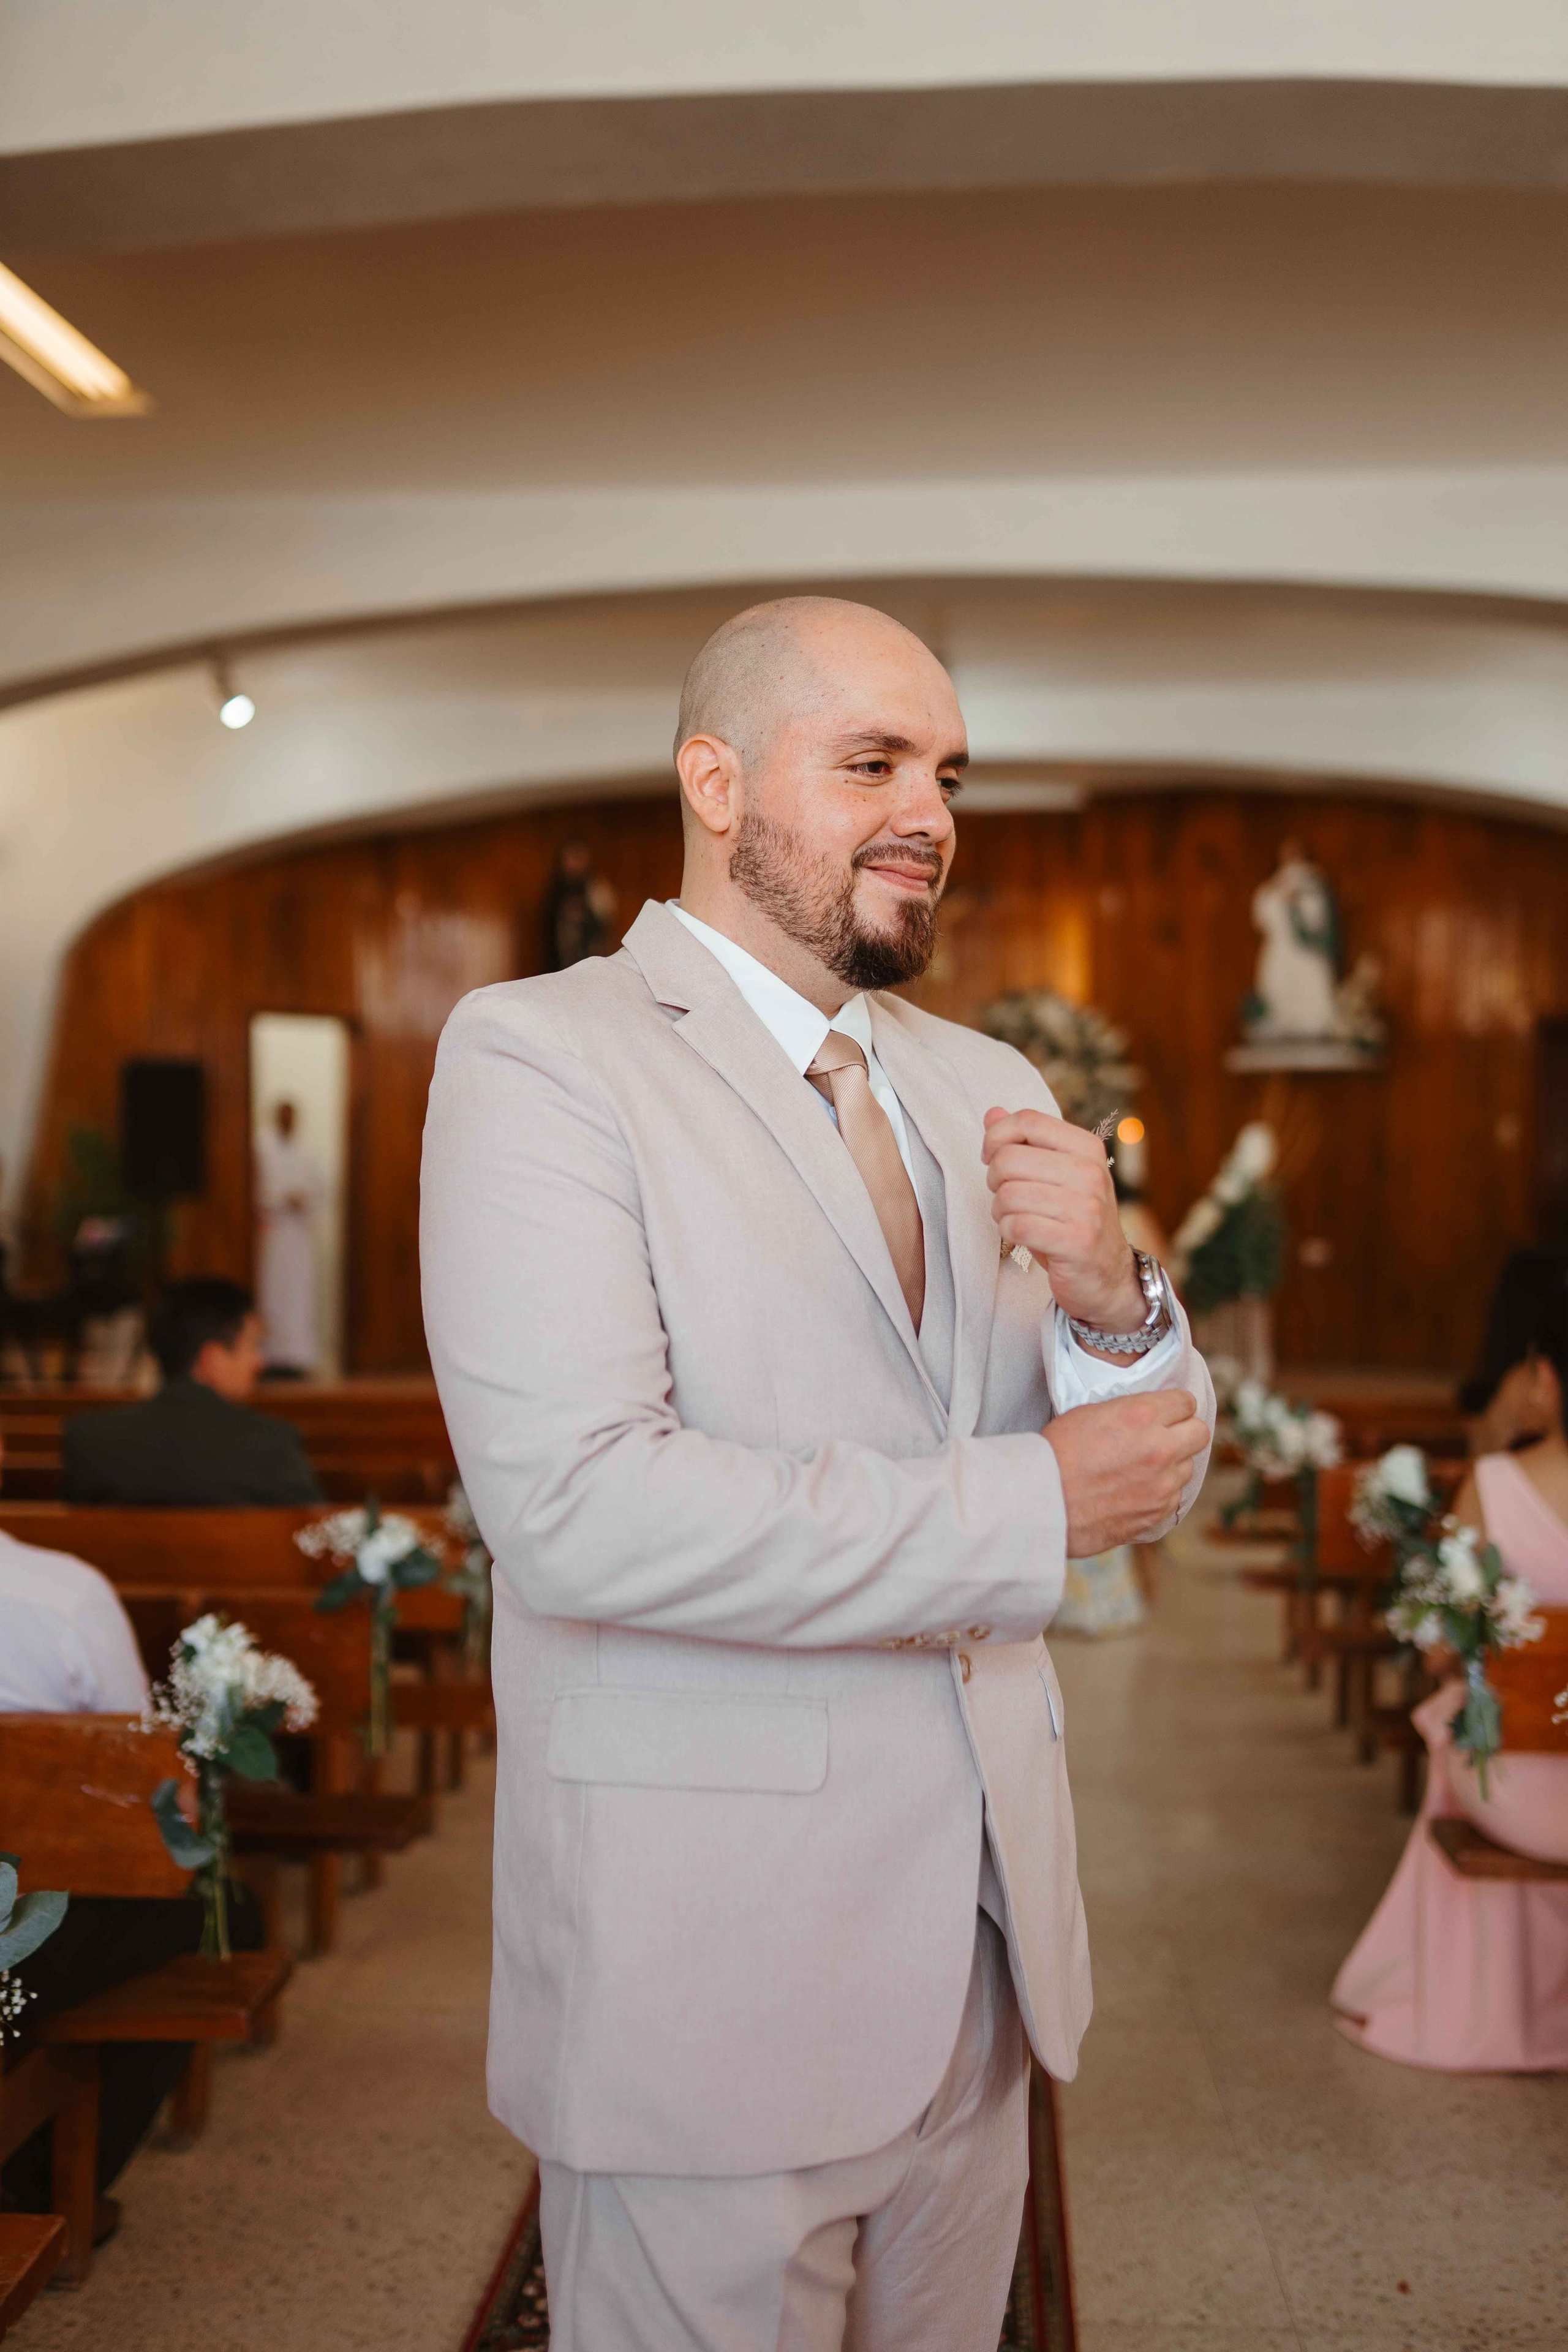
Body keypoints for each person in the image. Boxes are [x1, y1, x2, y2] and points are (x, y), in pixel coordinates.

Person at [421, 595, 1216, 2350]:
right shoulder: (545, 1058)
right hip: (711, 1955)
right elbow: (578, 1510)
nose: (928, 811)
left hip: (986, 1948)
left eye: (945, 770)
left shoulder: (984, 1075)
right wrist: (1032, 1508)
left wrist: (1114, 1293)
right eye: (870, 763)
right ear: (715, 781)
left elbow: (1152, 1454)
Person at [0, 1436, 262, 2233]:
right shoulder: (61, 1594)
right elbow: (149, 1800)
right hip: (24, 1925)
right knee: (220, 1912)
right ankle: (43, 2193)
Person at [1332, 1255, 1568, 2070]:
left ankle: (1486, 1998)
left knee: (1459, 1726)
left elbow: (1440, 1652)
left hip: (1518, 1802)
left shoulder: (1497, 1486)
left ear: (1545, 1378)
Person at [63, 1277, 321, 1506]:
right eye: (253, 1346)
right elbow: (316, 1540)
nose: (259, 1362)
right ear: (212, 1359)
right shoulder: (272, 1444)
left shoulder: (90, 1441)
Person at [254, 1099, 323, 1377]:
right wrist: (281, 1199)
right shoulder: (261, 1148)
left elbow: (321, 1192)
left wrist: (303, 1202)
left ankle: (296, 1358)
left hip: (298, 1236)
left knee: (297, 1297)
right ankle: (269, 1356)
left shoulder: (307, 1153)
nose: (287, 1121)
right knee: (272, 1293)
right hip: (272, 1233)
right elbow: (257, 1189)